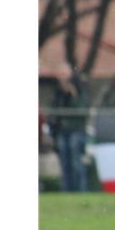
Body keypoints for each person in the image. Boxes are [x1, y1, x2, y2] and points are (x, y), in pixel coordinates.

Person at [49, 62, 90, 192]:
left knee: (76, 163)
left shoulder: (79, 87)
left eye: (64, 72)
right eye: (60, 73)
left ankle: (80, 191)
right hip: (62, 131)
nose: (62, 76)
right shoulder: (57, 90)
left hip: (76, 131)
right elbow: (53, 110)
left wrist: (73, 95)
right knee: (64, 164)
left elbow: (82, 109)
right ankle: (67, 192)